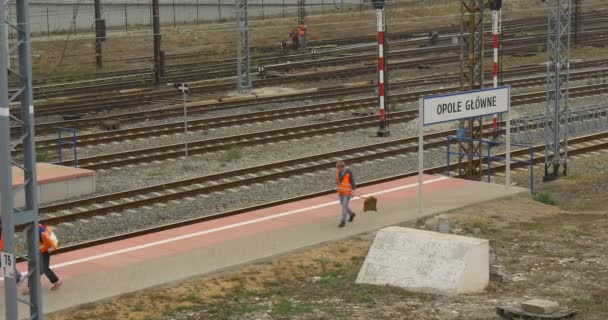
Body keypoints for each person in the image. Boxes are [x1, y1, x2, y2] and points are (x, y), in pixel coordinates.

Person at [23, 224, 62, 295]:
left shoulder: (38, 232)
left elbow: (48, 243)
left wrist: (47, 249)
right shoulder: (38, 227)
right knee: (42, 268)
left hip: (43, 250)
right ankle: (56, 281)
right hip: (43, 250)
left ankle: (32, 288)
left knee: (35, 268)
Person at [335, 160, 356, 228]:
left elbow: (353, 182)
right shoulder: (338, 172)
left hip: (347, 193)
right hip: (341, 192)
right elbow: (338, 181)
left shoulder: (348, 172)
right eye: (337, 168)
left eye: (338, 167)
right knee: (343, 205)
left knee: (344, 206)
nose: (337, 169)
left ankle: (343, 221)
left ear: (342, 167)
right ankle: (351, 214)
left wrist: (353, 191)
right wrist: (338, 185)